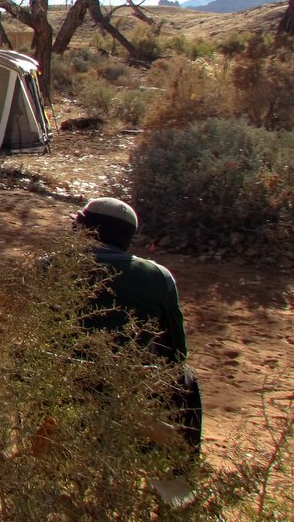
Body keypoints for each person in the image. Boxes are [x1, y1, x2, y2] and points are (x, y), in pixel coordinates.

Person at [71, 197, 202, 460]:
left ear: (85, 231)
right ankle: (181, 466)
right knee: (186, 376)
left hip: (63, 380)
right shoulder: (159, 277)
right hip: (129, 386)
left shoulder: (46, 267)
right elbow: (176, 351)